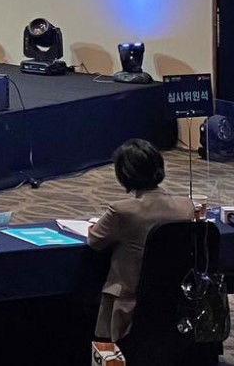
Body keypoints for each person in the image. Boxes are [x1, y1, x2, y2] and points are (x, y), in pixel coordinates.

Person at [84, 138, 197, 346]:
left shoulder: (121, 211)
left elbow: (95, 241)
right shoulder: (186, 206)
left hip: (129, 298)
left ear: (123, 175)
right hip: (174, 295)